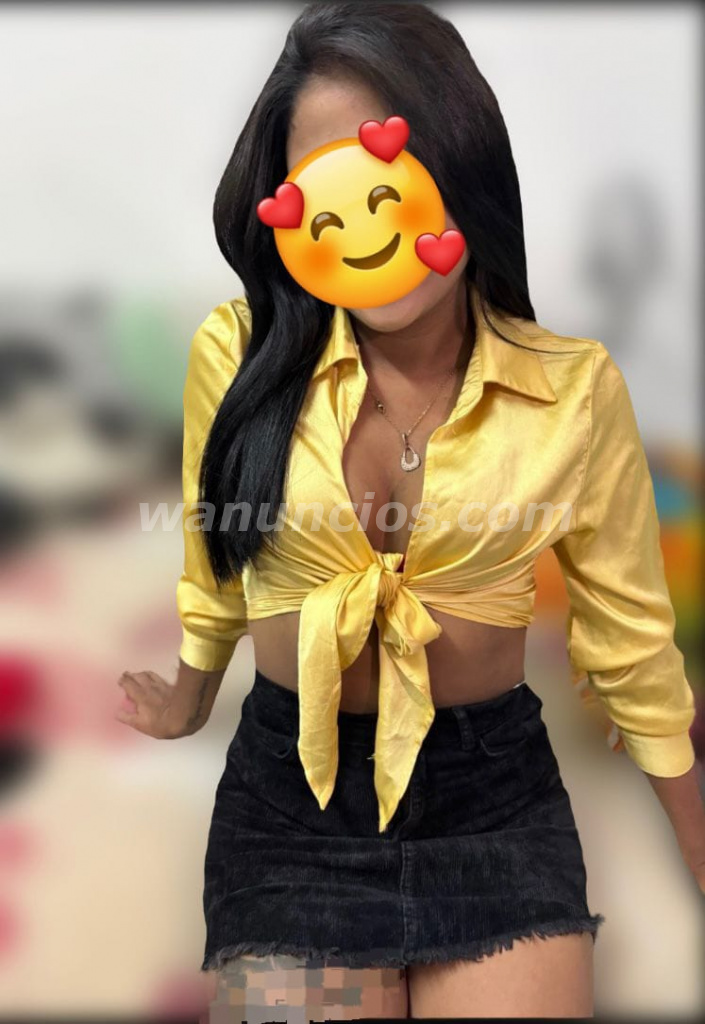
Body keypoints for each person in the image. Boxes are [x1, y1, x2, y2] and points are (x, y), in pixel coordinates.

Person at [115, 2, 705, 1019]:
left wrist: (693, 837)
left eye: (389, 177)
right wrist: (189, 694)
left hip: (495, 804)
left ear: (463, 170)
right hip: (291, 805)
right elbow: (216, 557)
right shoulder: (237, 354)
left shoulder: (573, 390)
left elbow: (631, 643)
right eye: (324, 191)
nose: (363, 226)